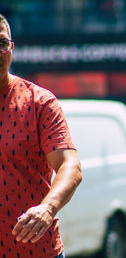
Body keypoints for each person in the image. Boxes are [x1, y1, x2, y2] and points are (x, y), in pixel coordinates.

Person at [0, 14, 82, 258]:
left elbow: (70, 165)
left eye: (2, 43)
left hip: (35, 251)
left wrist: (47, 208)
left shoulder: (39, 102)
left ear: (11, 48)